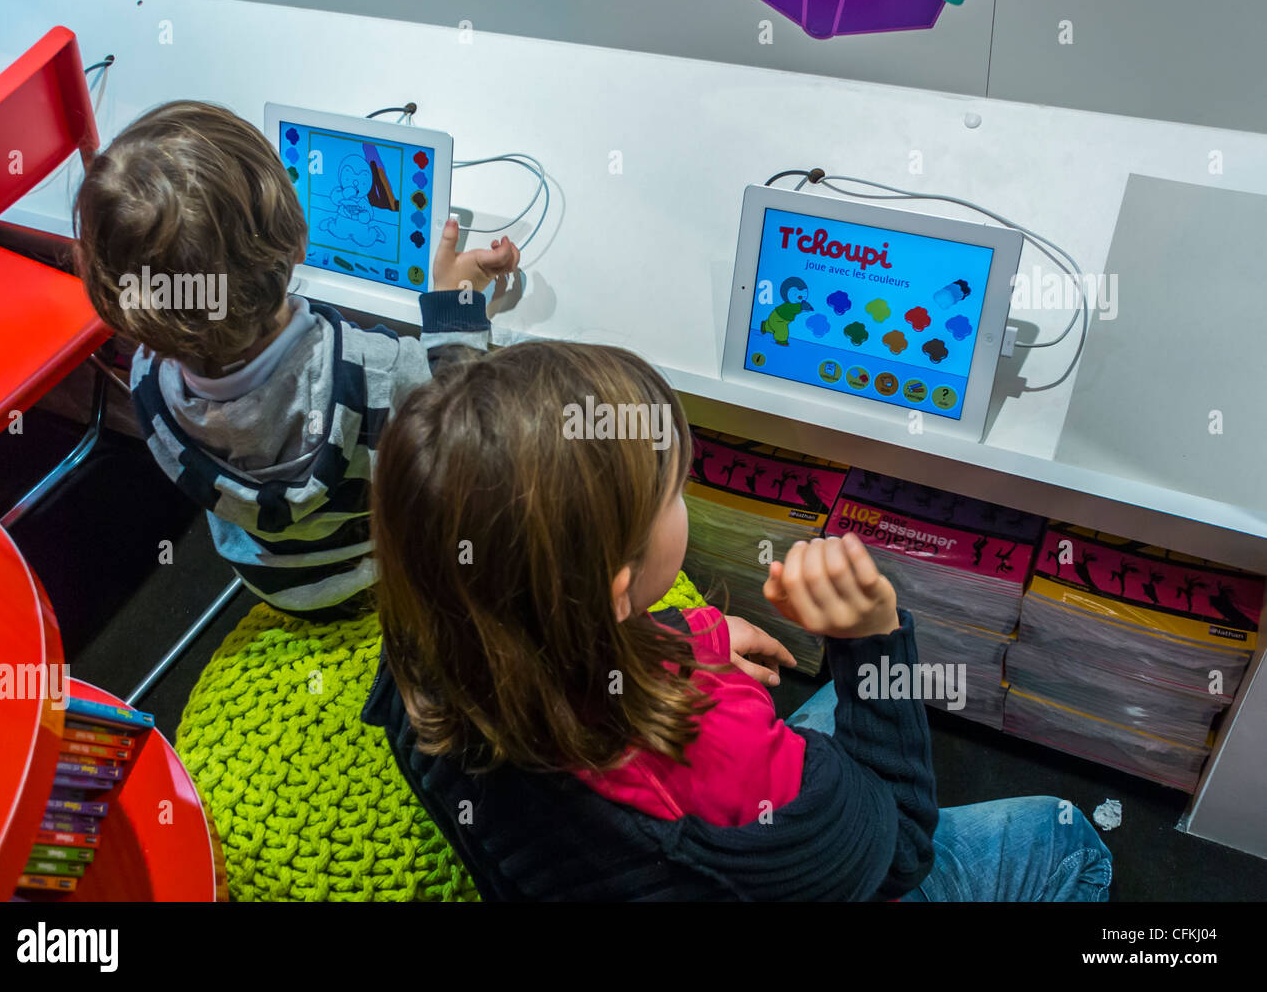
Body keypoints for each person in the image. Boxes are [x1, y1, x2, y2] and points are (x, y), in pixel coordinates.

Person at [363, 341, 1113, 900]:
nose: (680, 495)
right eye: (672, 492)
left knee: (816, 718)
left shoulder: (425, 654)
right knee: (1067, 836)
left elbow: (547, 637)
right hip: (750, 852)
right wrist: (872, 642)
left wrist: (694, 639)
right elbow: (902, 848)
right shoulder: (718, 746)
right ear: (619, 588)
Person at [73, 100, 518, 619]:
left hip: (273, 583)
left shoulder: (147, 377)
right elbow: (464, 431)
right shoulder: (370, 371)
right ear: (299, 237)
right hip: (377, 578)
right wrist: (457, 297)